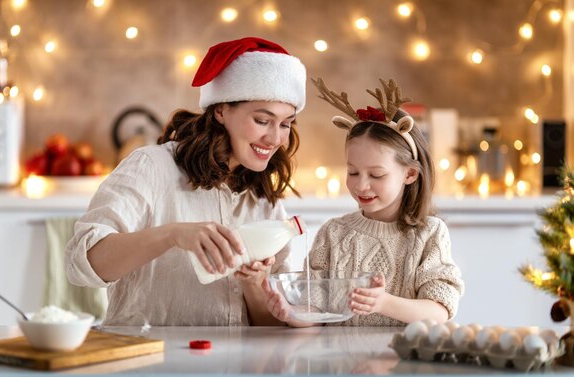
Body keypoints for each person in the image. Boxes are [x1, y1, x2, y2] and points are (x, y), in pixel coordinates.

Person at [65, 37, 307, 326]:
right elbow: (83, 264)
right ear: (221, 110)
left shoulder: (263, 195)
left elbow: (271, 328)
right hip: (149, 363)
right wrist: (172, 235)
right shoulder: (152, 168)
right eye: (262, 120)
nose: (275, 138)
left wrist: (253, 284)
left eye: (285, 123)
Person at [266, 78, 464, 327]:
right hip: (341, 364)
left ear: (409, 174)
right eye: (353, 172)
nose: (361, 185)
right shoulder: (333, 233)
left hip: (401, 363)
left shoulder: (429, 234)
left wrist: (383, 303)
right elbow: (315, 308)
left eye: (376, 175)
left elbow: (439, 311)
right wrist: (292, 313)